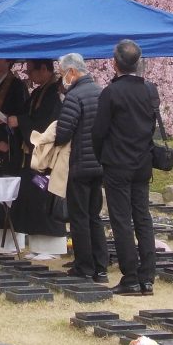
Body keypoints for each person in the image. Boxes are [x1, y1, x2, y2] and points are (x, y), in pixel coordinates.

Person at [92, 39, 157, 296]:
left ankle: (130, 277)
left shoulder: (111, 92)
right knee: (142, 217)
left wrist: (102, 155)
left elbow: (98, 131)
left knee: (122, 219)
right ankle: (148, 277)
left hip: (117, 162)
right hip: (143, 162)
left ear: (115, 63)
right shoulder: (150, 90)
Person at [54, 52, 108, 282]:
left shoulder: (74, 97)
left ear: (72, 72)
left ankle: (84, 266)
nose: (62, 79)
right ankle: (101, 267)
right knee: (95, 215)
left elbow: (63, 132)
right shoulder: (101, 92)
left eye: (62, 74)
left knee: (79, 216)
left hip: (80, 164)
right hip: (100, 164)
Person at [10, 59, 67, 253]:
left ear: (44, 69)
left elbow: (47, 124)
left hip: (48, 157)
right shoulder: (38, 92)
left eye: (31, 72)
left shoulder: (56, 93)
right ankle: (37, 244)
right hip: (32, 156)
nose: (29, 76)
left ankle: (50, 246)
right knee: (31, 196)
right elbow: (29, 116)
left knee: (45, 198)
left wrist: (21, 122)